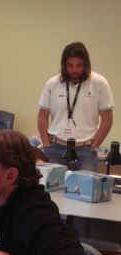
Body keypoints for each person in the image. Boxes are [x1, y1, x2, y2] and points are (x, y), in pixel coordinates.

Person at [37, 41, 114, 171]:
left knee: (84, 190)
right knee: (52, 190)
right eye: (70, 65)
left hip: (85, 150)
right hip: (55, 147)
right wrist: (46, 144)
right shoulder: (52, 84)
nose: (74, 70)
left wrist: (95, 146)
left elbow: (107, 118)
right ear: (64, 65)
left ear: (86, 64)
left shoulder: (99, 83)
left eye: (79, 65)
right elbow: (42, 115)